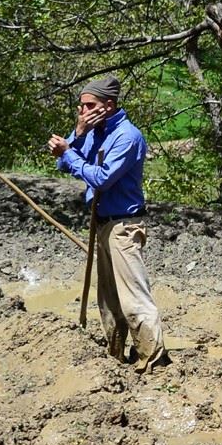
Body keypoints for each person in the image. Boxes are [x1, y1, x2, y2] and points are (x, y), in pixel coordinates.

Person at [49, 75, 165, 373]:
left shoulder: (127, 136)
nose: (83, 111)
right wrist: (76, 135)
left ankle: (154, 361)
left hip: (124, 226)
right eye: (81, 106)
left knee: (133, 299)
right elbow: (65, 164)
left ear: (109, 105)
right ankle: (115, 357)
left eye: (89, 105)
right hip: (102, 223)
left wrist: (68, 153)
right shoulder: (91, 131)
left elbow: (100, 177)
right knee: (109, 300)